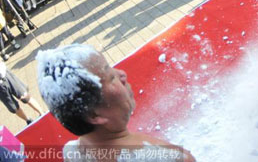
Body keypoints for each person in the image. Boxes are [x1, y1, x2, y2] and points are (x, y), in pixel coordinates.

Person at [36, 44, 195, 162]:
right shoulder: (170, 158)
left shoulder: (72, 152)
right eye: (110, 77)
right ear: (93, 114)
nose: (122, 74)